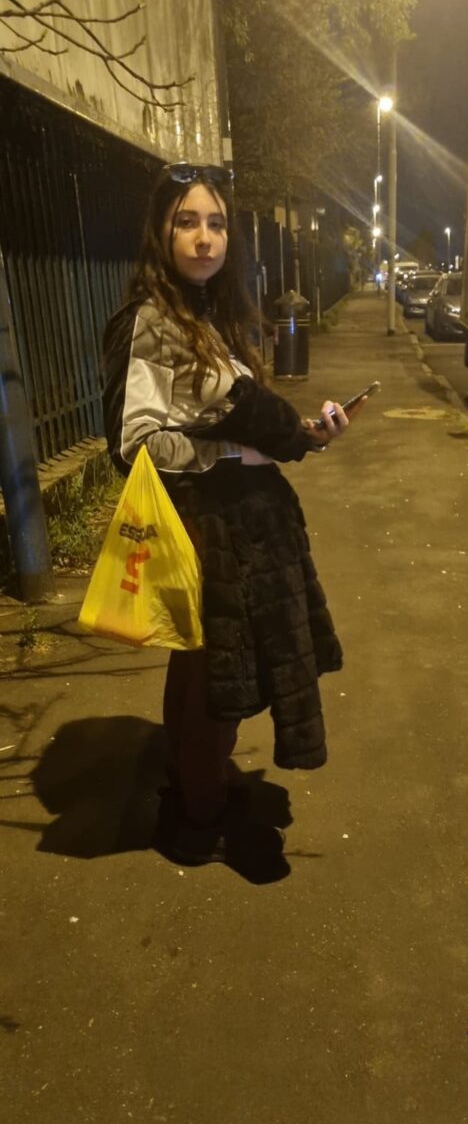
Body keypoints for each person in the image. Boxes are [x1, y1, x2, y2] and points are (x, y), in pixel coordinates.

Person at [102, 162, 360, 868]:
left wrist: (303, 434)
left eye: (215, 223)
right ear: (161, 232)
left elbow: (232, 417)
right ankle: (198, 816)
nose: (204, 237)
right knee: (212, 682)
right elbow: (134, 445)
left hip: (246, 525)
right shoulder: (151, 323)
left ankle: (199, 790)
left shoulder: (211, 314)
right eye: (187, 221)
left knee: (210, 674)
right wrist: (236, 445)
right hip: (203, 528)